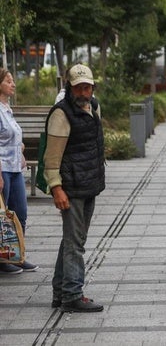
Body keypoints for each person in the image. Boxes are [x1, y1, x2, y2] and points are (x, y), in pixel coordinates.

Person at [44, 64, 105, 312]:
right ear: (69, 87)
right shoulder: (61, 113)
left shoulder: (95, 106)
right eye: (79, 87)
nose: (83, 92)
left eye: (87, 87)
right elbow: (52, 157)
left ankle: (61, 290)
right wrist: (56, 187)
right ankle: (71, 295)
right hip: (71, 186)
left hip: (89, 183)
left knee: (72, 239)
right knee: (75, 243)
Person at [0, 69, 38, 274]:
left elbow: (12, 137)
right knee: (2, 215)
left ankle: (17, 255)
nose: (13, 84)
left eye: (13, 81)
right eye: (8, 81)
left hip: (15, 167)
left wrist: (21, 150)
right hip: (2, 168)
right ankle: (2, 259)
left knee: (20, 212)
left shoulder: (7, 108)